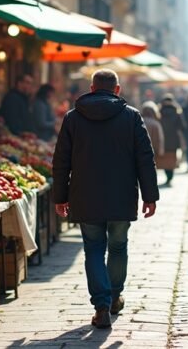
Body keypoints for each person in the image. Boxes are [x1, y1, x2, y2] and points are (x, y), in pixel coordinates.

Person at [52, 69, 158, 329]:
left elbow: (61, 161)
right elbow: (145, 157)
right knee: (119, 246)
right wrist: (150, 195)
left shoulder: (73, 118)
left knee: (94, 249)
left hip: (85, 195)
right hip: (121, 195)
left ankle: (101, 305)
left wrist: (60, 196)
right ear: (117, 90)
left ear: (91, 88)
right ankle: (113, 297)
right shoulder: (131, 117)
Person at [157, 94, 185, 187]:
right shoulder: (177, 112)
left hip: (163, 139)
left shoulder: (159, 112)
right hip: (174, 140)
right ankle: (170, 177)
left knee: (165, 159)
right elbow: (182, 126)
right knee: (172, 159)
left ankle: (168, 177)